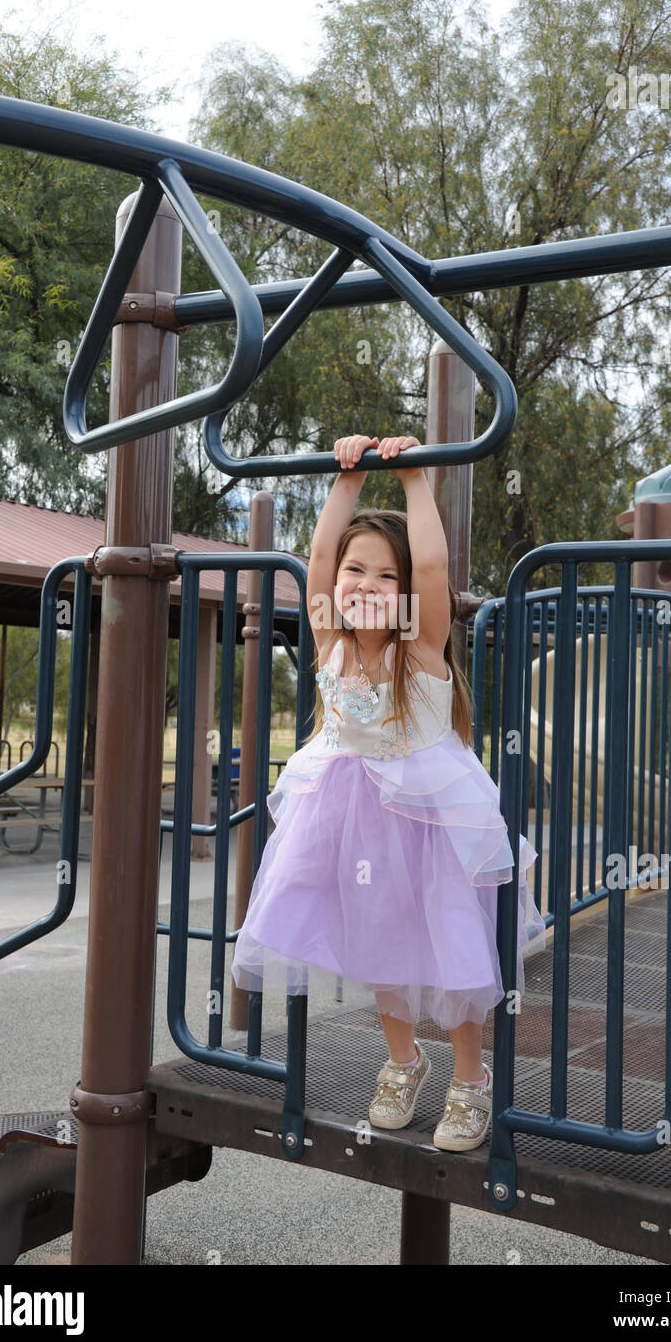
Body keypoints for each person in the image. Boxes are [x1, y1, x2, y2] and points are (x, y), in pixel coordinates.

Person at [231, 433, 546, 1152]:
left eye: (384, 576)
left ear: (408, 594)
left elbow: (433, 562)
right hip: (349, 818)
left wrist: (412, 481)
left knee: (452, 952)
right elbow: (314, 562)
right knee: (380, 950)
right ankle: (404, 1060)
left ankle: (470, 1077)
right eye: (355, 570)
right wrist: (343, 480)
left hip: (431, 823)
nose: (364, 585)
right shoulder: (330, 642)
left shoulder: (421, 646)